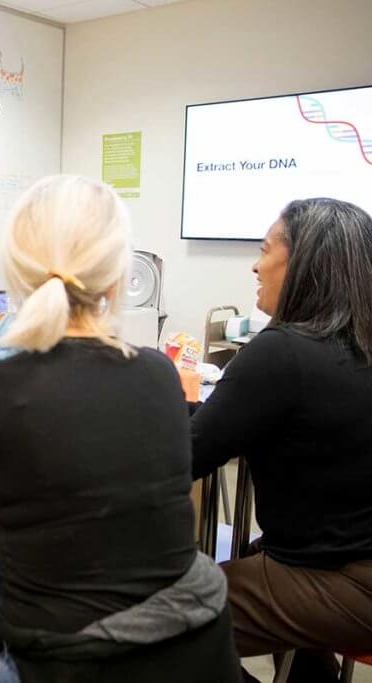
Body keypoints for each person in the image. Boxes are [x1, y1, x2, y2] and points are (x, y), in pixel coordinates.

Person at [0, 175, 240, 682]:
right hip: (196, 654)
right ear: (115, 279)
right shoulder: (158, 373)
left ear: (16, 274)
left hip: (68, 666)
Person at [191, 198, 372, 682]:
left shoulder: (282, 352)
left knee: (164, 617)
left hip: (340, 578)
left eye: (265, 249)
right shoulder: (358, 345)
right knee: (258, 565)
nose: (255, 263)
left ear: (302, 264)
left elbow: (184, 456)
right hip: (342, 559)